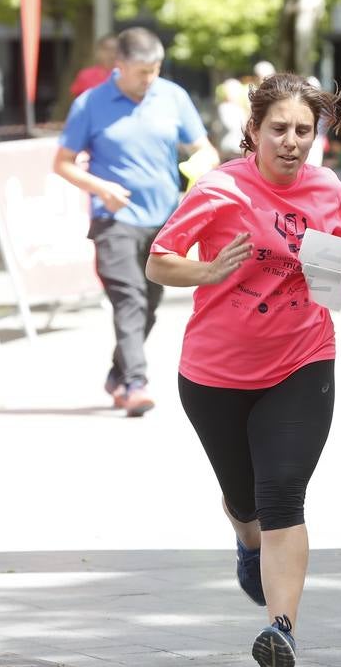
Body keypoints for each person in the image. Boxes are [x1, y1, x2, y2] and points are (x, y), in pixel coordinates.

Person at [145, 73, 341, 667]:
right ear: (253, 132)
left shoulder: (327, 188)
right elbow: (158, 260)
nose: (292, 141)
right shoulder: (220, 188)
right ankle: (247, 544)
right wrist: (205, 270)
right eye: (279, 129)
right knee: (247, 504)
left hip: (301, 360)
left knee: (282, 496)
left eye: (304, 130)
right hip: (215, 373)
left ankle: (281, 631)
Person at [53, 27, 217, 416]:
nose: (150, 78)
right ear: (119, 65)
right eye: (142, 71)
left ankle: (118, 372)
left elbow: (204, 148)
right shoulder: (90, 104)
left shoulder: (173, 97)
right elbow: (61, 163)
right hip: (114, 220)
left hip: (164, 220)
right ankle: (136, 382)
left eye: (156, 69)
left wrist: (202, 168)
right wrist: (101, 188)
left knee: (149, 304)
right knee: (129, 299)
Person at [70, 34, 118, 98]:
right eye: (106, 49)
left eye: (115, 49)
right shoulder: (85, 75)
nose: (111, 53)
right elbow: (78, 101)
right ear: (98, 52)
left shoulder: (126, 74)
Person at [214, 78, 249, 161]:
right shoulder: (224, 107)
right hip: (229, 152)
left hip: (239, 151)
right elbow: (233, 126)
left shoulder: (240, 108)